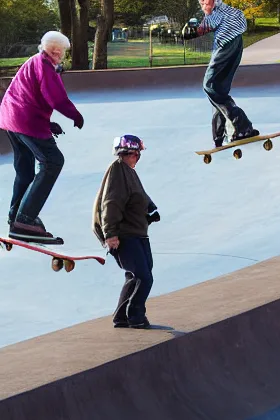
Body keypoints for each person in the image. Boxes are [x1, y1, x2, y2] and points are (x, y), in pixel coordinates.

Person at [0, 31, 84, 242]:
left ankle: (15, 218)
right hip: (25, 122)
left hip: (10, 119)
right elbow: (55, 96)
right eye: (61, 52)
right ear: (55, 51)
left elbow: (27, 95)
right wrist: (75, 114)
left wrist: (47, 123)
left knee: (25, 170)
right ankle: (25, 220)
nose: (60, 56)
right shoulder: (46, 65)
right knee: (53, 161)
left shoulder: (33, 61)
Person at [92, 135, 160, 329]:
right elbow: (111, 204)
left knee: (135, 275)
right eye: (137, 154)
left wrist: (150, 210)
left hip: (137, 232)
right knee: (143, 277)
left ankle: (121, 316)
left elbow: (139, 195)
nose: (138, 158)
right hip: (124, 234)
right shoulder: (117, 172)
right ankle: (135, 315)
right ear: (128, 153)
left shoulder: (128, 172)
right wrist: (111, 234)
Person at [182, 0, 259, 147]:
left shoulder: (217, 13)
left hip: (225, 47)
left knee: (209, 85)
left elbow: (202, 29)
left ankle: (242, 125)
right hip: (237, 47)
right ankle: (220, 134)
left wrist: (187, 32)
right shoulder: (232, 11)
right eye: (200, 0)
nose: (202, 3)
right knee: (219, 90)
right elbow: (241, 21)